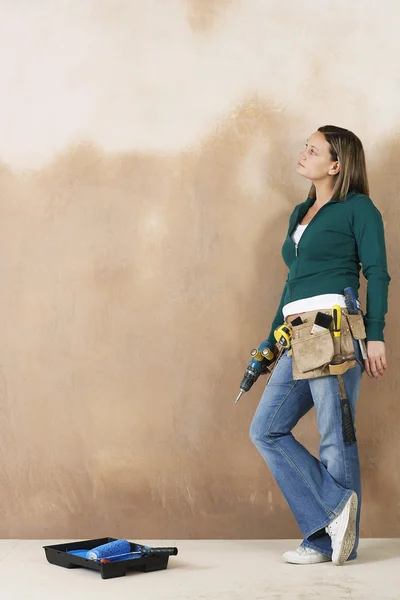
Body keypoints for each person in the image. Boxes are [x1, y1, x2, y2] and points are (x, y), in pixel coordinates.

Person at [249, 125, 390, 565]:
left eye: (314, 150)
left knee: (335, 435)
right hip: (298, 333)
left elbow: (378, 273)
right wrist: (271, 343)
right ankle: (332, 512)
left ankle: (326, 543)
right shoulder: (301, 213)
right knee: (266, 430)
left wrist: (377, 333)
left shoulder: (359, 209)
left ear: (336, 165)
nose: (303, 153)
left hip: (334, 330)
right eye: (304, 147)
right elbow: (291, 286)